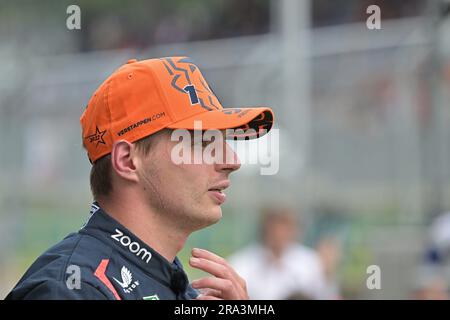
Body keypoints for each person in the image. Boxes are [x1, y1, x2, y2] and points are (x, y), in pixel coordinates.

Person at [6, 56, 274, 300]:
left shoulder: (177, 286)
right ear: (126, 161)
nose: (231, 161)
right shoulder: (71, 288)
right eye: (202, 142)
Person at [229, 207, 330, 299]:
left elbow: (320, 294)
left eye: (285, 229)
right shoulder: (242, 263)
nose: (279, 234)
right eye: (275, 228)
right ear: (265, 230)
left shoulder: (310, 261)